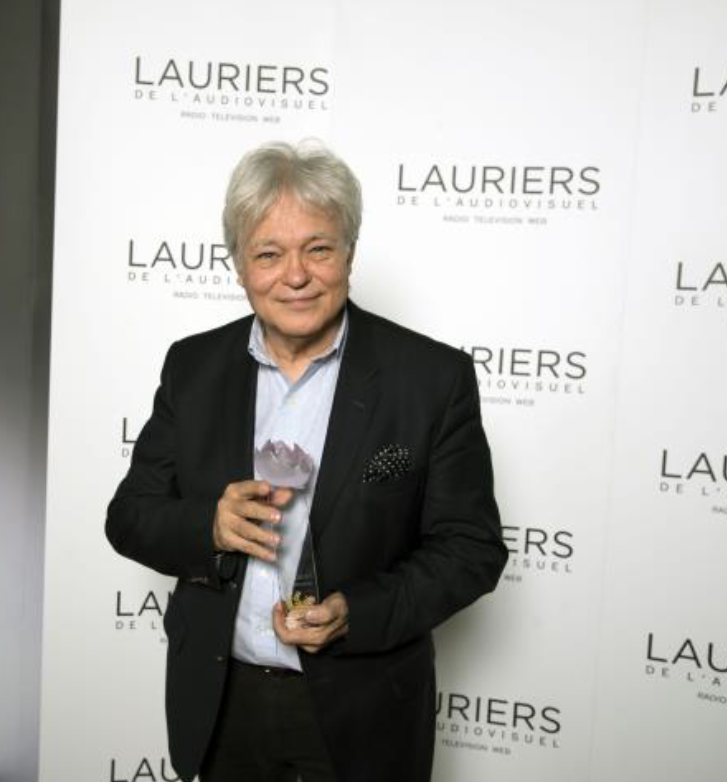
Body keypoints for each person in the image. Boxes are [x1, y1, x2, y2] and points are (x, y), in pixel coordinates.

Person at [106, 139, 506, 782]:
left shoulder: (431, 379)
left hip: (365, 713)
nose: (295, 276)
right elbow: (130, 517)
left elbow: (471, 549)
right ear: (239, 266)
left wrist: (356, 612)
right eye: (268, 254)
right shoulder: (193, 367)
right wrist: (210, 526)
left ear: (349, 253)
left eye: (317, 249)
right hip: (221, 705)